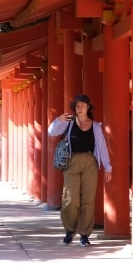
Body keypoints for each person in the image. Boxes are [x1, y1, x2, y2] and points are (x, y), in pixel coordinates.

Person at [47, 94, 111, 247]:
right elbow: (51, 132)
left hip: (90, 162)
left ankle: (84, 234)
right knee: (70, 198)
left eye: (83, 105)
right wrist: (58, 120)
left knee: (88, 200)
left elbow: (102, 147)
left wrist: (108, 167)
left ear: (88, 107)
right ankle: (70, 230)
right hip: (72, 161)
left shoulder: (95, 126)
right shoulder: (68, 123)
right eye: (77, 106)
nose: (80, 108)